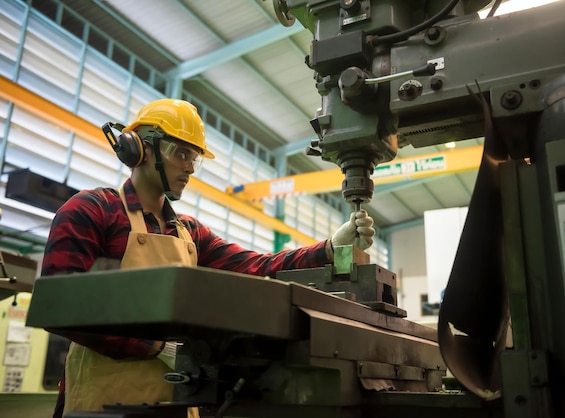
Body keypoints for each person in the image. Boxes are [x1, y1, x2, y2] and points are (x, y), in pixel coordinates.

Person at [40, 98, 375, 417]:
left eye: (194, 158)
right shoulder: (92, 210)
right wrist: (156, 347)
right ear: (137, 148)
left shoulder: (190, 233)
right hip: (99, 403)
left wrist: (331, 246)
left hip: (176, 403)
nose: (190, 168)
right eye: (181, 153)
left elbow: (258, 267)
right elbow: (61, 308)